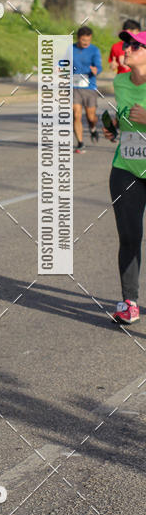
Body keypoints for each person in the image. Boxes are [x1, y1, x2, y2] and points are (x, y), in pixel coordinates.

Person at [103, 27, 146, 324]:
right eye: (125, 43)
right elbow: (122, 113)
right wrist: (114, 125)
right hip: (126, 168)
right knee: (129, 236)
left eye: (134, 45)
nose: (125, 48)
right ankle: (129, 302)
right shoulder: (119, 81)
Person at [72, 25, 102, 154]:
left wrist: (96, 70)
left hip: (89, 86)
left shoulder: (94, 50)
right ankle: (80, 143)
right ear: (78, 38)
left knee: (91, 117)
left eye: (88, 41)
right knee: (76, 115)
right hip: (74, 86)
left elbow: (99, 66)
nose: (86, 43)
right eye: (84, 41)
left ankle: (93, 128)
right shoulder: (70, 49)